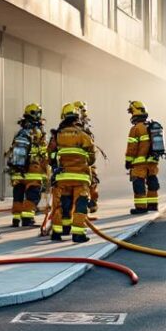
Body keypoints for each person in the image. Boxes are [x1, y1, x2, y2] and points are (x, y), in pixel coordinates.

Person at [47, 103, 96, 243]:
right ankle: (78, 234)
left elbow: (50, 155)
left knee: (62, 204)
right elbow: (92, 157)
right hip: (81, 178)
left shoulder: (56, 136)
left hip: (62, 177)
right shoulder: (83, 135)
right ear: (77, 117)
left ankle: (58, 232)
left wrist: (55, 164)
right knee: (80, 204)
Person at [8, 103, 48, 228]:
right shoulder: (37, 132)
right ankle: (27, 218)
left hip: (17, 170)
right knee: (33, 193)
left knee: (18, 192)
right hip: (33, 169)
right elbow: (43, 151)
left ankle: (16, 218)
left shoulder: (20, 132)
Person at [125, 100, 161, 214]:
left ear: (134, 113)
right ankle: (153, 205)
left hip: (140, 163)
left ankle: (141, 207)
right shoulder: (152, 126)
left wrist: (128, 161)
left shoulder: (135, 129)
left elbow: (132, 148)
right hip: (152, 161)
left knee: (138, 183)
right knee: (152, 181)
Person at [74, 101, 101, 215]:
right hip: (77, 161)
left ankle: (92, 202)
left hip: (85, 160)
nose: (83, 113)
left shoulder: (85, 125)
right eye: (81, 110)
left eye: (84, 110)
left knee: (93, 179)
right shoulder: (71, 125)